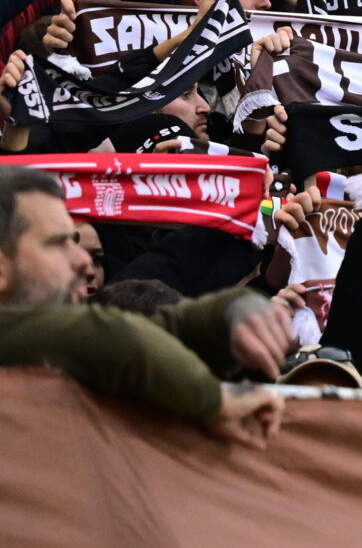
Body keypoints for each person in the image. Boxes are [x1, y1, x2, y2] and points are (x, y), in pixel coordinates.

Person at [0, 166, 289, 444]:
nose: (83, 262)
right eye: (56, 244)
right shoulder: (86, 339)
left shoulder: (58, 344)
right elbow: (112, 337)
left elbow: (160, 327)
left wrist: (233, 313)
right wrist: (214, 401)